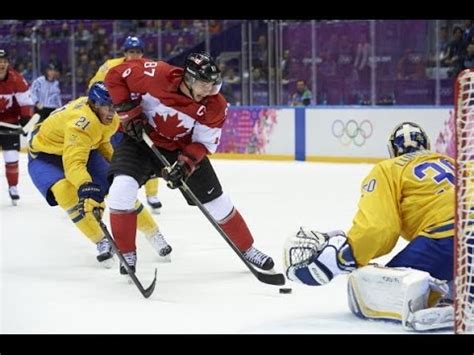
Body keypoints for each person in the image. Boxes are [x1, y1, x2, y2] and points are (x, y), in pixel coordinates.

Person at [104, 51, 275, 275]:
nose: (211, 91)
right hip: (140, 141)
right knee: (120, 190)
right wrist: (128, 112)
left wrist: (185, 165)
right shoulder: (155, 74)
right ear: (190, 79)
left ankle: (247, 248)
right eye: (205, 85)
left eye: (214, 85)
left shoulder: (215, 106)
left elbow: (203, 143)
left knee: (218, 202)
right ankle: (127, 254)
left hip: (181, 149)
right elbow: (114, 76)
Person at [284, 122, 455, 331]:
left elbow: (378, 228)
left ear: (393, 150)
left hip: (446, 239)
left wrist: (344, 256)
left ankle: (448, 295)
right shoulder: (455, 162)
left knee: (376, 290)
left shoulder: (389, 168)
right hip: (464, 234)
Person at [28, 82, 172, 267]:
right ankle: (101, 240)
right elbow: (73, 163)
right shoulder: (80, 123)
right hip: (45, 156)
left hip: (81, 147)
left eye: (114, 106)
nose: (112, 112)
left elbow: (101, 139)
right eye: (107, 106)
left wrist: (118, 166)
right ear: (95, 104)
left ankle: (153, 233)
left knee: (119, 186)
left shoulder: (107, 117)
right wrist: (86, 185)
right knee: (65, 192)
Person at [88, 35, 162, 214]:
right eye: (131, 51)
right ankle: (117, 191)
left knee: (150, 156)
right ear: (125, 53)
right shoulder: (110, 66)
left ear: (142, 53)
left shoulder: (150, 67)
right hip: (116, 121)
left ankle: (152, 195)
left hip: (140, 119)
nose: (134, 55)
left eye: (137, 51)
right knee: (117, 158)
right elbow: (94, 86)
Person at [0, 48, 34, 205]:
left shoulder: (17, 79)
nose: (2, 64)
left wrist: (25, 119)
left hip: (10, 121)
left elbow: (25, 101)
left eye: (4, 61)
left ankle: (13, 187)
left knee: (11, 156)